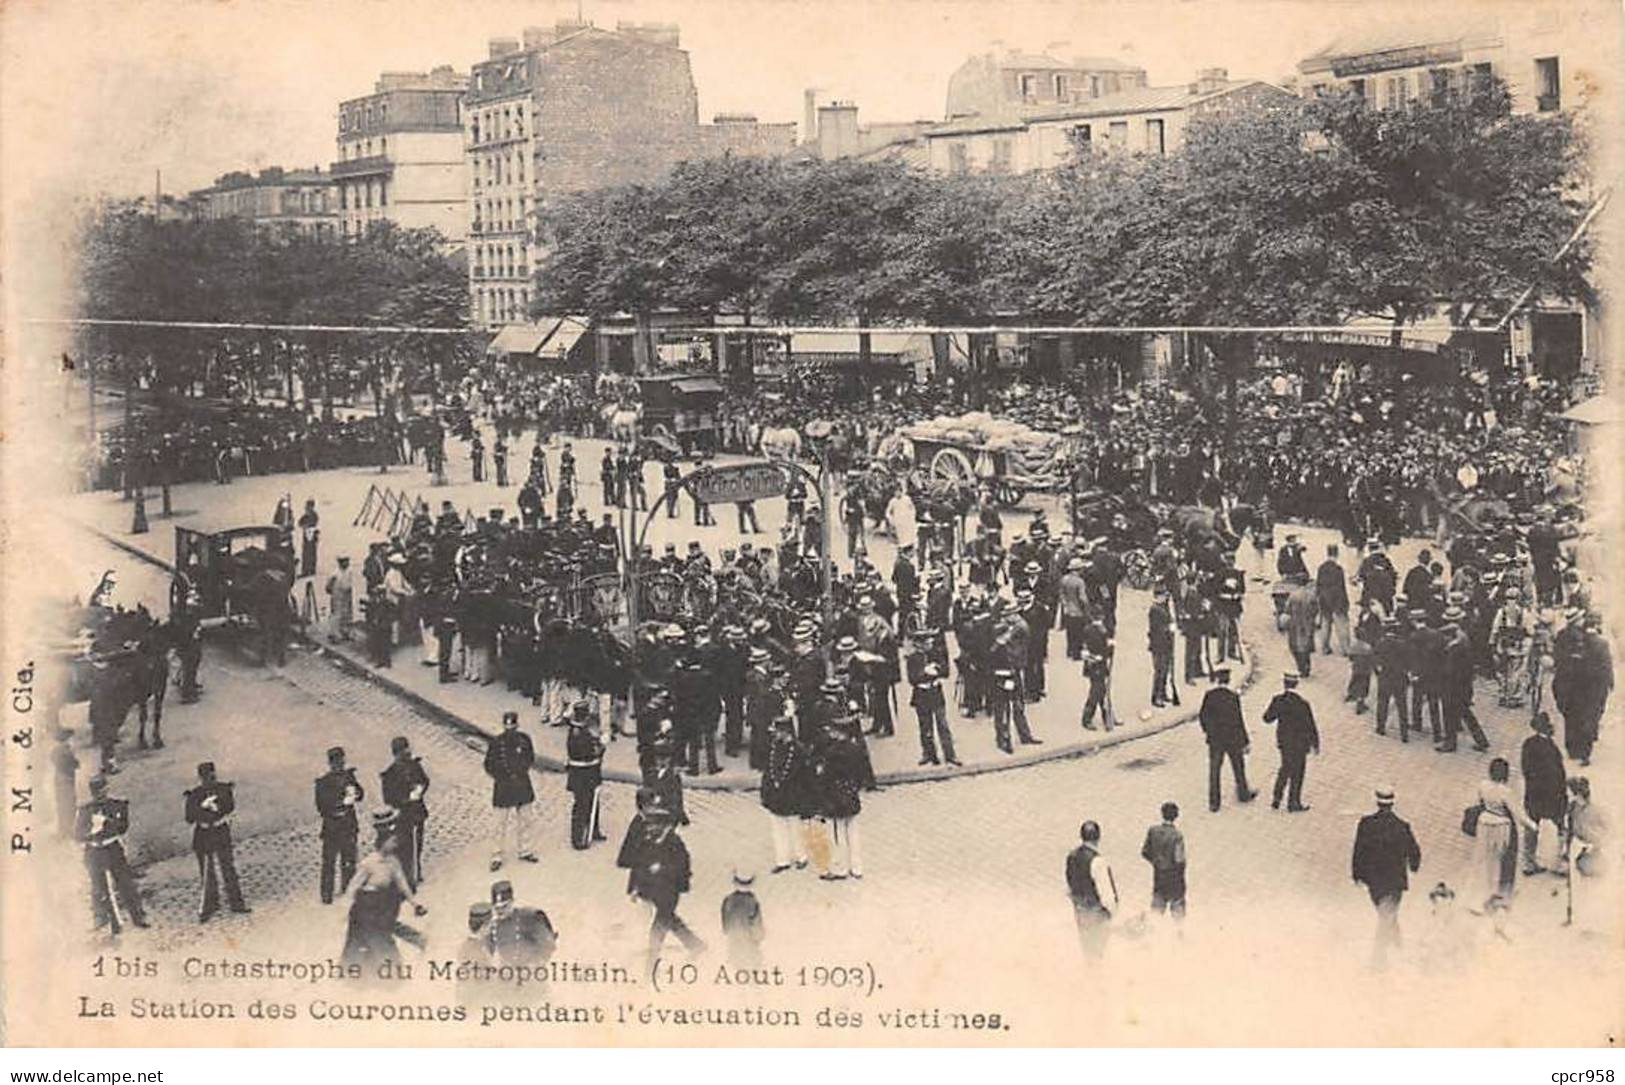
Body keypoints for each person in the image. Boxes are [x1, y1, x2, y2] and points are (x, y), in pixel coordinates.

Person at [341, 811, 427, 971]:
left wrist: (415, 904)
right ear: (383, 843)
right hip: (365, 907)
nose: (395, 845)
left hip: (383, 905)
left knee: (383, 932)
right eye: (392, 841)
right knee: (362, 941)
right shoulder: (369, 863)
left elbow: (402, 884)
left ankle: (415, 943)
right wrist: (345, 909)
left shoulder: (393, 862)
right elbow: (352, 887)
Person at [1351, 785, 1422, 969]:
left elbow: (1358, 850)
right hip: (1395, 881)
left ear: (1377, 802)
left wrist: (1357, 874)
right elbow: (1414, 852)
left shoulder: (1366, 824)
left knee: (1384, 913)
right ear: (1392, 803)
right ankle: (1388, 947)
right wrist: (1414, 866)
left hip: (1373, 881)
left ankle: (1381, 955)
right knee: (1387, 914)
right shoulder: (1402, 826)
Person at [630, 808, 706, 966]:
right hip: (653, 890)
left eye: (654, 825)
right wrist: (636, 888)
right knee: (670, 919)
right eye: (650, 825)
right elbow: (639, 865)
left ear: (666, 826)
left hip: (669, 893)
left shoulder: (675, 844)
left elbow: (683, 868)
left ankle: (650, 965)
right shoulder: (648, 841)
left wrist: (667, 874)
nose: (650, 828)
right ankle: (695, 945)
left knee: (659, 927)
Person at [77, 776, 149, 934]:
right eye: (97, 792)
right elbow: (78, 835)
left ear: (107, 789)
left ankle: (138, 916)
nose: (100, 795)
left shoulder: (117, 805)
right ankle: (105, 919)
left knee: (126, 883)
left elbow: (123, 827)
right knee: (99, 887)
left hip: (112, 849)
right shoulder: (85, 810)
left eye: (102, 791)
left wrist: (107, 822)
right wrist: (92, 831)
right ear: (92, 793)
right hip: (94, 851)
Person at [184, 761, 249, 922]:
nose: (210, 780)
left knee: (228, 868)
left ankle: (236, 903)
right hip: (203, 834)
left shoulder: (223, 789)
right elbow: (189, 818)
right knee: (207, 872)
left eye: (212, 776)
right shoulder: (194, 795)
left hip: (220, 832)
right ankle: (211, 904)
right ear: (201, 778)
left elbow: (230, 807)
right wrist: (201, 808)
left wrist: (216, 808)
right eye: (206, 778)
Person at [1469, 758, 1535, 914]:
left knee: (1485, 859)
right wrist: (1532, 825)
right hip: (1501, 826)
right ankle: (1499, 895)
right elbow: (1518, 813)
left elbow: (1479, 802)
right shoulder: (1505, 792)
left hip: (1484, 824)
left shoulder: (1482, 785)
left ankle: (1480, 895)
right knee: (1502, 861)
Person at [484, 711, 539, 871]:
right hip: (504, 786)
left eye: (513, 727)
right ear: (504, 726)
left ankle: (525, 850)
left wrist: (521, 771)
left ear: (517, 726)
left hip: (522, 784)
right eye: (508, 727)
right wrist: (501, 776)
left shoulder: (524, 740)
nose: (510, 730)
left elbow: (530, 758)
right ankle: (496, 855)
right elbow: (489, 764)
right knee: (499, 824)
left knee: (526, 820)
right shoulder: (496, 742)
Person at [1198, 668, 1255, 812]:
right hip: (1232, 739)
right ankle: (1243, 794)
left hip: (1215, 740)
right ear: (1228, 680)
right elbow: (1238, 720)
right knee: (1238, 767)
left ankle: (1214, 802)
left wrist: (1209, 732)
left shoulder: (1209, 696)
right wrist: (1245, 741)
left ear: (1217, 680)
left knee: (1214, 770)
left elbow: (1203, 716)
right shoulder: (1233, 697)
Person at [760, 716, 811, 873]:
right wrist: (766, 791)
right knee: (778, 827)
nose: (775, 735)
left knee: (795, 827)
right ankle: (782, 860)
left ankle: (801, 856)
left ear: (786, 732)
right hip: (777, 795)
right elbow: (768, 771)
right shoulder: (774, 748)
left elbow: (805, 776)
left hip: (793, 794)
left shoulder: (798, 750)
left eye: (778, 732)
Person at [1262, 673, 1319, 813]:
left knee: (1285, 768)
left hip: (1284, 742)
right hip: (1300, 743)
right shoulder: (1303, 703)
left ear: (1284, 684)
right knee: (1298, 772)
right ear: (1296, 684)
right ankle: (1293, 802)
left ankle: (1277, 797)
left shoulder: (1278, 700)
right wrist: (1315, 743)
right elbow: (1310, 725)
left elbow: (1267, 718)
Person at [315, 746, 364, 905]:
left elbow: (361, 794)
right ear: (331, 763)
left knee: (349, 858)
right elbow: (322, 806)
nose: (340, 765)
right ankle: (326, 894)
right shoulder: (323, 782)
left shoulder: (349, 777)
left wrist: (356, 793)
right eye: (336, 762)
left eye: (341, 761)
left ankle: (348, 887)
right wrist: (340, 805)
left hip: (348, 824)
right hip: (332, 827)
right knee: (329, 861)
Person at [380, 736, 431, 890]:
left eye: (407, 749)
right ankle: (409, 877)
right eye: (403, 751)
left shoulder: (415, 765)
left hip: (418, 811)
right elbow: (388, 798)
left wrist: (420, 789)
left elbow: (425, 780)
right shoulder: (389, 774)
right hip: (403, 815)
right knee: (407, 845)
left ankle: (416, 870)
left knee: (418, 842)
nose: (407, 753)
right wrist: (407, 798)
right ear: (396, 754)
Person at [1519, 713, 1566, 875]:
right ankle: (1559, 863)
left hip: (1533, 795)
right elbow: (1556, 775)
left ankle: (1528, 862)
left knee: (1531, 827)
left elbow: (1525, 769)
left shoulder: (1528, 744)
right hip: (1552, 796)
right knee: (1561, 827)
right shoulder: (1551, 748)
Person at [1065, 820, 1118, 960]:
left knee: (1087, 950)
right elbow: (1107, 893)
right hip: (1097, 913)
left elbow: (1070, 885)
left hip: (1080, 911)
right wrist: (1112, 912)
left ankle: (1089, 976)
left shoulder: (1071, 857)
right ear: (1098, 837)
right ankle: (1095, 978)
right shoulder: (1098, 861)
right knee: (1098, 952)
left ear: (1081, 836)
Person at [565, 701, 607, 850]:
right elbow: (587, 754)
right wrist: (601, 748)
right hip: (582, 775)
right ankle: (578, 838)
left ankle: (592, 830)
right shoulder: (577, 733)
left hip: (588, 773)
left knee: (593, 802)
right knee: (582, 805)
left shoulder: (581, 729)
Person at [487, 879, 558, 967]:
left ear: (512, 902)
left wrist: (535, 964)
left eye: (504, 906)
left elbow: (548, 945)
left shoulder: (529, 917)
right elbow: (488, 951)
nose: (500, 911)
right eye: (496, 908)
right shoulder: (493, 926)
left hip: (533, 973)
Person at [1141, 802, 1187, 919]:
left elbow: (1145, 852)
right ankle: (1179, 935)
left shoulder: (1153, 831)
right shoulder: (1177, 835)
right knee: (1178, 914)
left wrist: (1156, 862)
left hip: (1159, 876)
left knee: (1156, 911)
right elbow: (1179, 859)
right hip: (1174, 878)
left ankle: (1154, 933)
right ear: (1176, 816)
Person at [721, 869, 766, 968]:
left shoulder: (728, 900)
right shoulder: (752, 901)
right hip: (748, 936)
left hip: (733, 935)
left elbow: (725, 919)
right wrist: (759, 936)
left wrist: (727, 930)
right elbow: (756, 922)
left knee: (735, 958)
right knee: (752, 960)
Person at [1315, 544, 1349, 655]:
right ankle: (1345, 649)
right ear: (1337, 554)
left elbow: (1318, 585)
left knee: (1325, 624)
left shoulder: (1321, 568)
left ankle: (1324, 648)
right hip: (1337, 601)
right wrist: (1345, 602)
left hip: (1324, 600)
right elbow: (1341, 587)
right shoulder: (1338, 569)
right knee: (1342, 626)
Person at [1148, 586, 1178, 708]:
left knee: (1165, 670)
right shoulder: (1154, 610)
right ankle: (1157, 696)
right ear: (1157, 596)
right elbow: (1156, 629)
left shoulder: (1163, 607)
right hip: (1158, 644)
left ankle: (1163, 692)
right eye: (1163, 595)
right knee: (1159, 671)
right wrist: (1169, 628)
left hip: (1166, 643)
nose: (1165, 597)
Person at [51, 727, 79, 841]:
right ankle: (65, 831)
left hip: (60, 779)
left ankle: (64, 830)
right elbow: (74, 764)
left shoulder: (56, 751)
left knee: (63, 805)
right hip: (66, 780)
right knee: (68, 805)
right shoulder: (65, 751)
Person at [325, 555, 356, 643]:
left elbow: (349, 584)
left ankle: (345, 632)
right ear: (340, 562)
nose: (347, 563)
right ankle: (335, 634)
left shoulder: (349, 571)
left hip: (347, 595)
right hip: (337, 595)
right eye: (344, 561)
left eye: (347, 561)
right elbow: (328, 587)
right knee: (337, 615)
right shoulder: (334, 573)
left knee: (347, 614)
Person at [297, 498, 320, 579]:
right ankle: (306, 569)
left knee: (311, 552)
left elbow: (313, 523)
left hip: (311, 535)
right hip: (307, 535)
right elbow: (299, 523)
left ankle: (311, 569)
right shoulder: (306, 515)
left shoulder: (314, 515)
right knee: (306, 552)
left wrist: (306, 525)